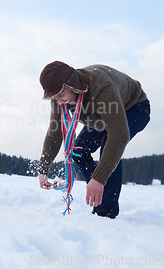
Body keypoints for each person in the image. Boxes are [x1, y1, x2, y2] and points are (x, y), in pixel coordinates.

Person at [37, 61, 150, 218]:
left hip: (133, 107)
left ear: (72, 84)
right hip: (100, 117)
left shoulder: (101, 86)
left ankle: (106, 212)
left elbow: (119, 134)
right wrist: (43, 167)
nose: (59, 101)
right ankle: (99, 195)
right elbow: (55, 131)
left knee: (109, 149)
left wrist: (99, 178)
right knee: (78, 152)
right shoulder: (59, 96)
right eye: (55, 97)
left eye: (61, 95)